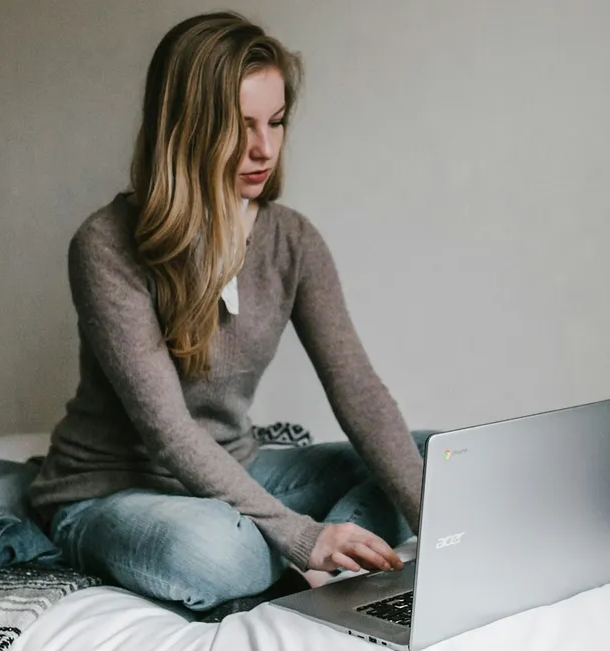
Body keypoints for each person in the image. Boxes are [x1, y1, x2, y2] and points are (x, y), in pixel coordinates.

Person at [28, 11, 429, 618]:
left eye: (276, 122)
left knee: (434, 457)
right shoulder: (106, 244)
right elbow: (168, 432)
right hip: (115, 490)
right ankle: (311, 550)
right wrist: (301, 535)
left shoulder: (292, 239)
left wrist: (439, 521)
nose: (263, 148)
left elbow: (359, 391)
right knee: (212, 554)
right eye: (238, 127)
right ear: (186, 127)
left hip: (242, 471)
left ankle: (334, 557)